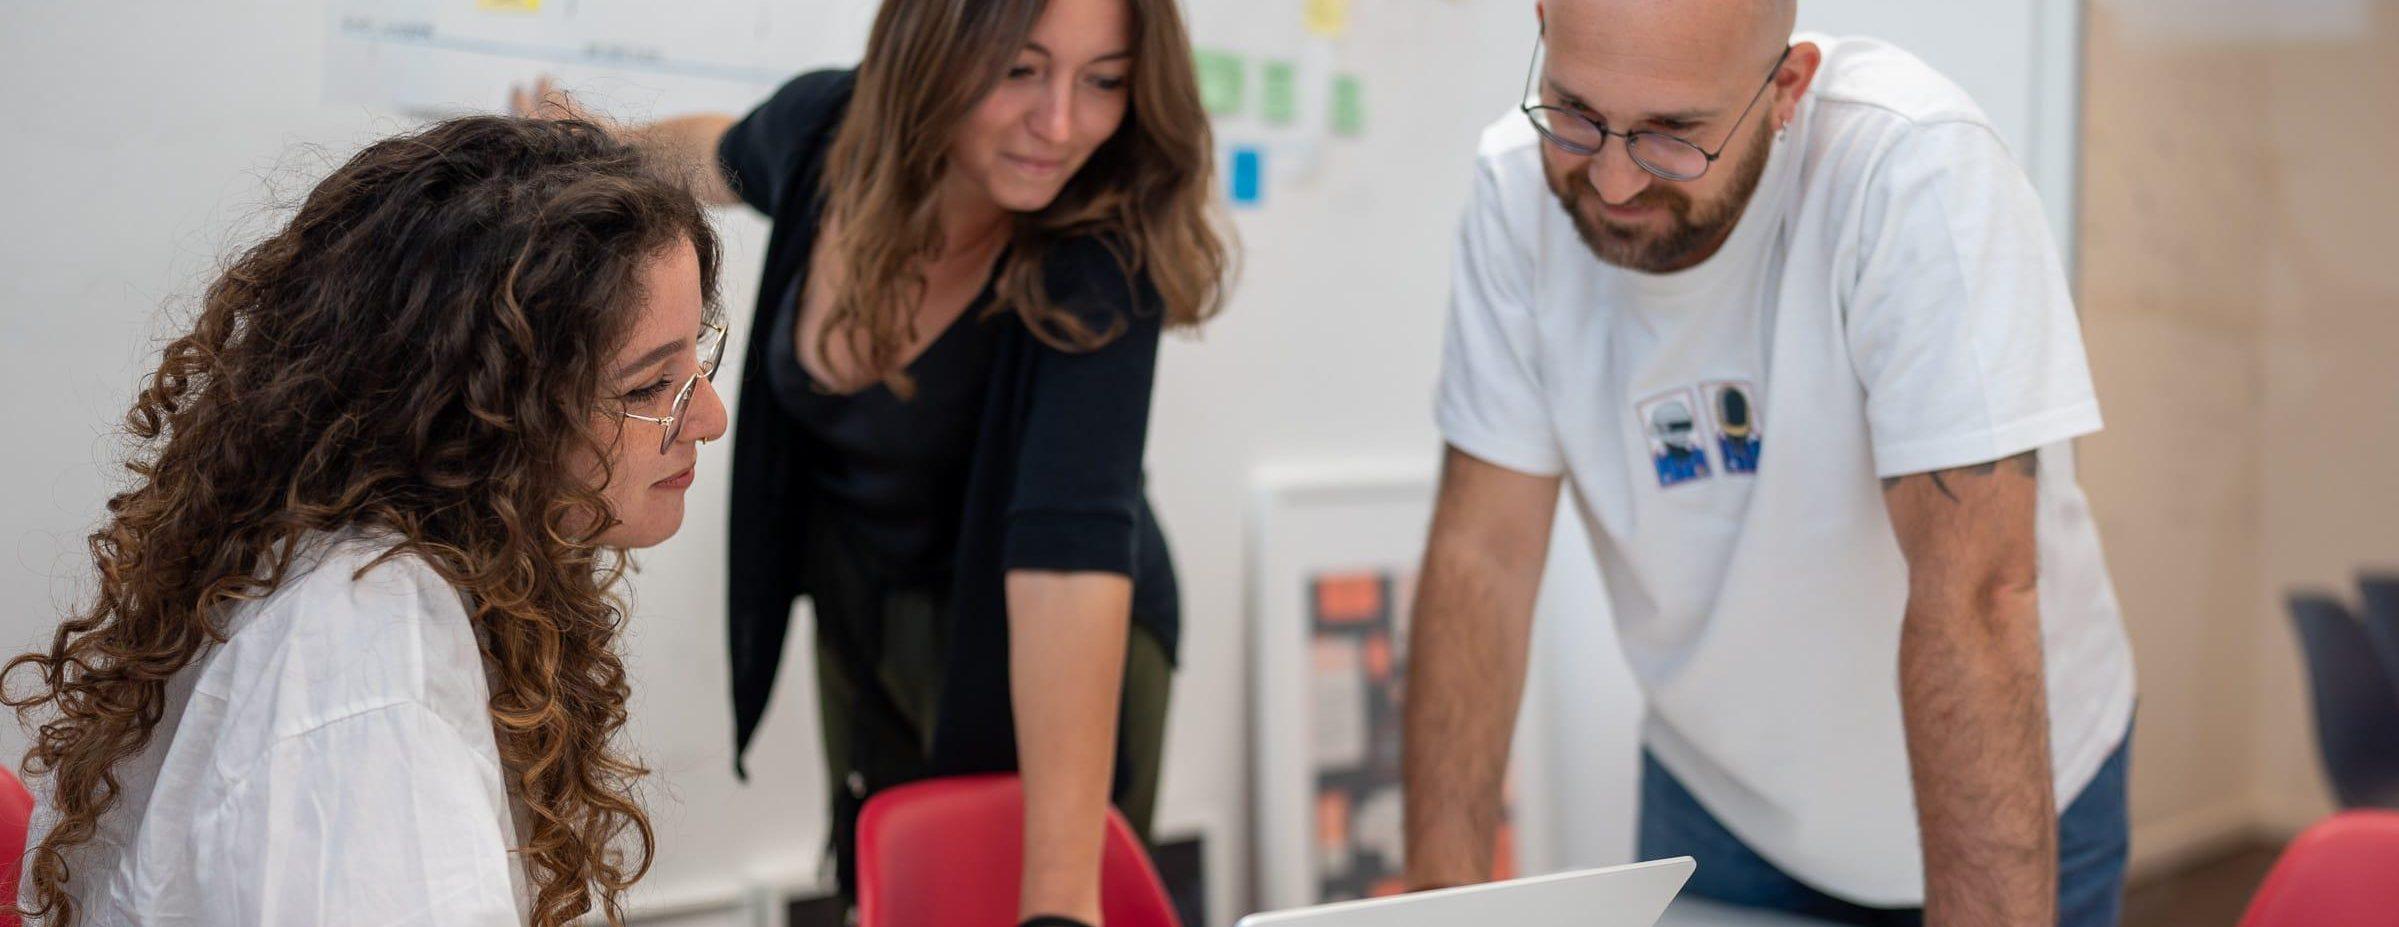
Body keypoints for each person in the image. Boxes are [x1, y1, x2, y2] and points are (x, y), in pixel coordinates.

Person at [1401, 2, 2136, 925]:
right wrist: (1437, 900)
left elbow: (1976, 596)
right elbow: (1484, 557)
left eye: (1674, 136)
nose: (1615, 179)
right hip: (1721, 792)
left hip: (2017, 787)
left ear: (1785, 88)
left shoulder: (1912, 171)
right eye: (1576, 112)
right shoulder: (1514, 189)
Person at [516, 0, 1227, 922]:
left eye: (1103, 81)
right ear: (934, 47)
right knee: (889, 883)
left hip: (1054, 640)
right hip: (870, 603)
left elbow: (1068, 549)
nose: (1059, 124)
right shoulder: (831, 135)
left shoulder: (1100, 258)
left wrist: (1059, 900)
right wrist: (601, 145)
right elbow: (717, 154)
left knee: (1010, 890)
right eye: (1020, 69)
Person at [4, 115, 730, 926]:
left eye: (696, 359)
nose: (710, 415)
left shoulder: (416, 564)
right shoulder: (368, 673)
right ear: (480, 412)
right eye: (646, 388)